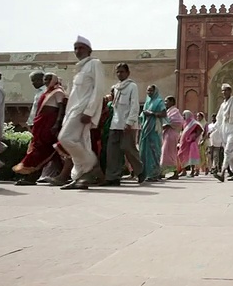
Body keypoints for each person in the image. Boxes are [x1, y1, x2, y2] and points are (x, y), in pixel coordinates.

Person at [55, 36, 105, 190]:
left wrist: (89, 111)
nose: (77, 51)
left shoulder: (94, 64)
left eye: (81, 48)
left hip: (83, 110)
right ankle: (79, 177)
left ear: (89, 50)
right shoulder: (79, 69)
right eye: (75, 48)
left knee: (65, 138)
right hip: (73, 110)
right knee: (79, 142)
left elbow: (99, 89)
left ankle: (91, 164)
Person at [12, 73, 66, 181]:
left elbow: (61, 108)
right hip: (41, 123)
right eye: (45, 79)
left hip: (49, 123)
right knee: (50, 151)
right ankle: (59, 175)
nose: (46, 81)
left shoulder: (58, 92)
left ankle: (31, 175)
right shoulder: (46, 92)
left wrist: (57, 123)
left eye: (48, 79)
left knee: (40, 149)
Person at [104, 63, 144, 186]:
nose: (120, 74)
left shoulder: (132, 86)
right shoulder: (115, 88)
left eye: (122, 72)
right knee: (112, 152)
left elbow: (134, 105)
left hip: (128, 124)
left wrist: (129, 122)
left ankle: (140, 171)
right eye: (118, 72)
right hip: (115, 123)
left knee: (128, 148)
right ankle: (113, 177)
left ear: (127, 73)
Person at [138, 84, 167, 181]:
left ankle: (154, 174)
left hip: (154, 128)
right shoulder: (147, 102)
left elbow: (164, 113)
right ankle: (146, 173)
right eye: (148, 91)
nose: (149, 93)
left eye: (151, 91)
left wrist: (152, 114)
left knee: (154, 150)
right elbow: (143, 114)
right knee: (145, 151)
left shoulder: (159, 101)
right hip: (146, 129)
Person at [160, 95, 184, 179]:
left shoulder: (175, 111)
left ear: (172, 102)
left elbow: (178, 121)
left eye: (167, 101)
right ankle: (163, 172)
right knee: (165, 153)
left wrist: (167, 124)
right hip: (167, 134)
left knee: (169, 153)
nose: (165, 103)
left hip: (171, 134)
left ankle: (174, 172)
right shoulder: (169, 111)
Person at [178, 110, 203, 177]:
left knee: (192, 156)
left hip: (191, 142)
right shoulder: (184, 123)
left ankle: (193, 171)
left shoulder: (194, 123)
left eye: (184, 115)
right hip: (184, 143)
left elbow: (200, 130)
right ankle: (184, 171)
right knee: (181, 154)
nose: (183, 116)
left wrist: (194, 136)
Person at [195, 112, 208, 176]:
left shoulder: (205, 124)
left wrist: (203, 140)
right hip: (196, 141)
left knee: (203, 156)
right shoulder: (196, 124)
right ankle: (196, 170)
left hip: (202, 141)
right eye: (197, 116)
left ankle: (206, 168)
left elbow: (206, 133)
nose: (198, 118)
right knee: (196, 156)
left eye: (199, 116)